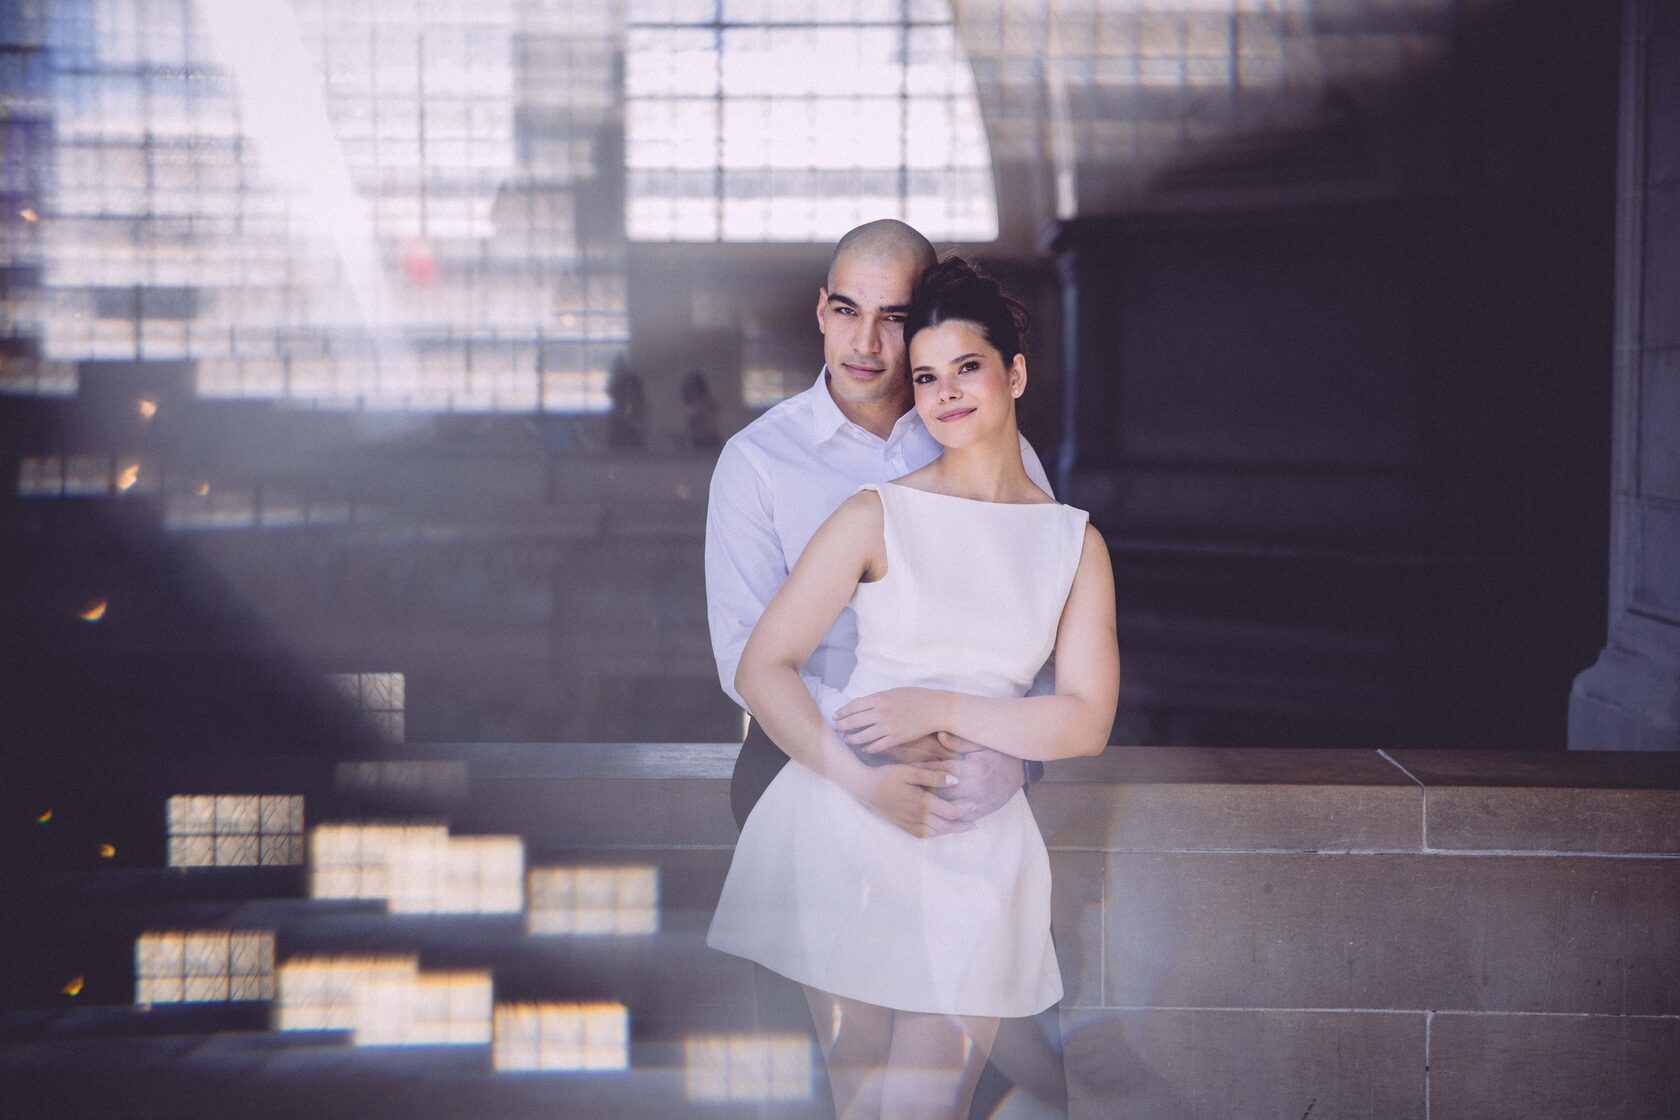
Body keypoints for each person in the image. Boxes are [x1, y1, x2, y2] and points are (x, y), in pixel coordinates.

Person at [707, 255, 1120, 1120]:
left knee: (920, 1110)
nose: (945, 393)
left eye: (967, 368)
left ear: (1015, 371)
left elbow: (1084, 719)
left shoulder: (1073, 542)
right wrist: (865, 783)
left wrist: (945, 711)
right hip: (846, 826)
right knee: (862, 1107)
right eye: (927, 376)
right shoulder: (874, 511)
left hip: (972, 845)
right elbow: (758, 666)